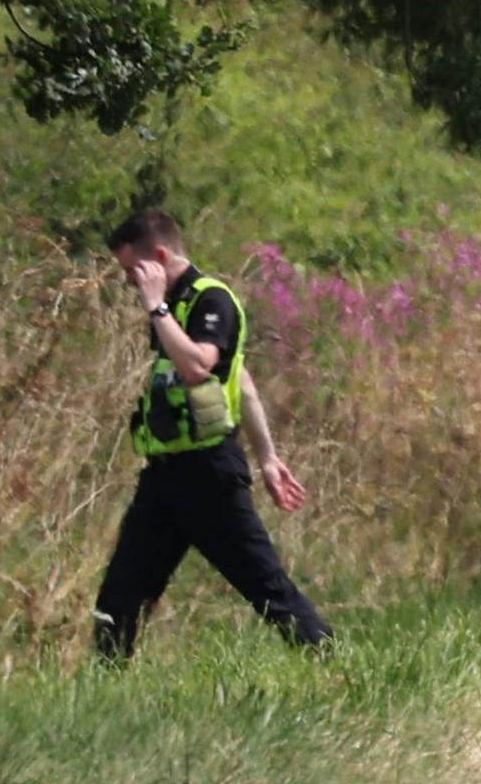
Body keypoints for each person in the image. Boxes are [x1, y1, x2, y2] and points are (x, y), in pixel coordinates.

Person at [95, 209, 332, 660]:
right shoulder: (172, 303)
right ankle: (100, 693)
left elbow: (199, 365)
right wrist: (268, 457)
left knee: (268, 589)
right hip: (164, 476)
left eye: (133, 270)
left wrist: (156, 307)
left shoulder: (211, 300)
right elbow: (241, 384)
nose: (129, 281)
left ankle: (336, 666)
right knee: (120, 597)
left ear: (160, 256)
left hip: (209, 476)